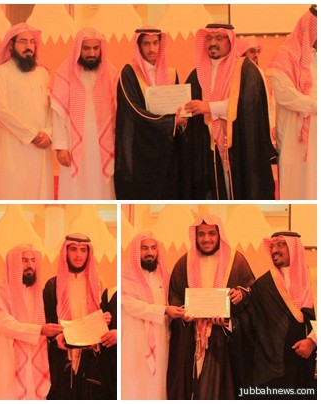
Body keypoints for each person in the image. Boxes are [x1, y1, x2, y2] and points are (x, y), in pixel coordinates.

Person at [181, 23, 277, 200]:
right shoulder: (197, 74)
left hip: (240, 149)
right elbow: (188, 108)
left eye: (219, 38)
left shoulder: (246, 70)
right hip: (209, 153)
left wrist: (209, 107)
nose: (213, 43)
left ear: (230, 41)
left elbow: (248, 106)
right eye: (209, 38)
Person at [167, 214, 255, 399]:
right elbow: (174, 295)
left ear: (219, 234)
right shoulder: (184, 263)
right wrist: (183, 314)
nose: (206, 239)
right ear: (195, 236)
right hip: (192, 338)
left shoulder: (236, 261)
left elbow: (251, 293)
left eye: (211, 234)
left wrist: (241, 295)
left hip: (224, 340)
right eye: (201, 234)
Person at [231, 231, 317, 399]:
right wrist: (228, 321)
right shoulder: (265, 283)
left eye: (281, 245)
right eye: (272, 246)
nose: (274, 250)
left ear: (294, 248)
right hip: (275, 364)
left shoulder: (315, 278)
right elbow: (249, 316)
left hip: (308, 360)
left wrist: (313, 341)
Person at [0, 244, 62, 399]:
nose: (30, 265)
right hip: (7, 361)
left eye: (32, 260)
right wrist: (39, 330)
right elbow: (4, 325)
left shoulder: (35, 292)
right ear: (14, 263)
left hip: (32, 359)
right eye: (24, 261)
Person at [114, 27, 187, 200]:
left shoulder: (171, 73)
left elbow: (177, 107)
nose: (152, 49)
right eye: (146, 44)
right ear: (139, 46)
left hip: (166, 148)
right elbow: (133, 111)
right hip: (140, 148)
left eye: (155, 43)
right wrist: (171, 122)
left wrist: (182, 119)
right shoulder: (129, 73)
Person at [43, 233, 114, 399]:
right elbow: (47, 318)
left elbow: (105, 317)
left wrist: (106, 319)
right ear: (65, 252)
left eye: (83, 250)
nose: (78, 255)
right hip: (62, 354)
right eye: (73, 249)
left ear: (89, 253)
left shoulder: (98, 283)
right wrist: (56, 338)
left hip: (90, 355)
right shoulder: (52, 285)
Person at [50, 28, 118, 199]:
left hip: (104, 142)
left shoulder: (110, 71)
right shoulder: (64, 72)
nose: (92, 53)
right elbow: (57, 113)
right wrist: (61, 147)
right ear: (78, 49)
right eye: (86, 48)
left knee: (103, 188)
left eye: (96, 48)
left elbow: (118, 109)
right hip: (73, 143)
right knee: (75, 189)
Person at [0, 23, 53, 199]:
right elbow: (0, 111)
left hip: (42, 147)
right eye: (23, 42)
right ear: (11, 45)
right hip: (14, 149)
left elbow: (51, 108)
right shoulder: (0, 73)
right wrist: (32, 134)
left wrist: (48, 133)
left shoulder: (43, 73)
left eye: (32, 42)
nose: (28, 46)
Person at [122, 232, 185, 399]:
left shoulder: (163, 276)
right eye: (144, 248)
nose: (149, 252)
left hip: (160, 338)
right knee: (133, 383)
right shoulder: (125, 274)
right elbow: (130, 305)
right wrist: (164, 310)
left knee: (158, 383)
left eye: (153, 248)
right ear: (136, 250)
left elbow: (171, 302)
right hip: (134, 340)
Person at [266, 6, 317, 200]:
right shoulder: (286, 56)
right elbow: (286, 96)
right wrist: (314, 105)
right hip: (294, 138)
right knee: (298, 185)